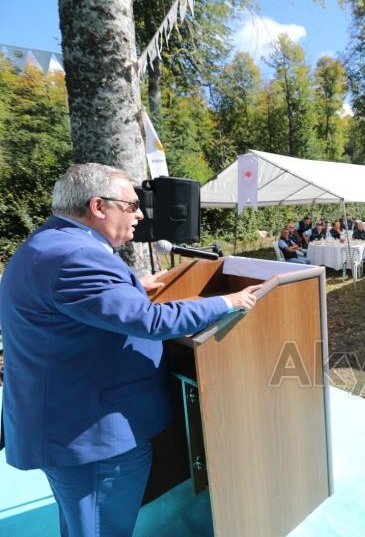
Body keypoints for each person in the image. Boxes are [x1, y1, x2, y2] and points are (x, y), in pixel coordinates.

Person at [0, 164, 260, 537]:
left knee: (80, 525)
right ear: (98, 206)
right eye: (133, 204)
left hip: (65, 422)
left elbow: (62, 305)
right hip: (92, 437)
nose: (140, 214)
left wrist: (131, 285)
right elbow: (151, 323)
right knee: (100, 528)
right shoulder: (78, 257)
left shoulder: (48, 244)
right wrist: (228, 302)